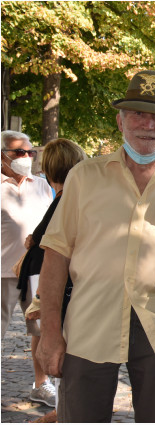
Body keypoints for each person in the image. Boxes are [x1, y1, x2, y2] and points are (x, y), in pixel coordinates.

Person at [36, 70, 155, 422]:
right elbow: (55, 256)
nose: (147, 124)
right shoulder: (84, 177)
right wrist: (50, 333)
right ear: (120, 121)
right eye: (137, 113)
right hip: (88, 325)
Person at [17, 138, 86, 422]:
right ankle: (52, 397)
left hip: (37, 274)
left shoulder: (65, 197)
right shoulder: (67, 198)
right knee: (47, 333)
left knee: (44, 332)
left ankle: (54, 399)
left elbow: (39, 236)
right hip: (43, 277)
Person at [1, 130, 54, 406]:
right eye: (19, 152)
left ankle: (41, 384)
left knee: (40, 330)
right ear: (2, 155)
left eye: (30, 152)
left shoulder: (43, 185)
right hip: (2, 273)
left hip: (35, 272)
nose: (26, 157)